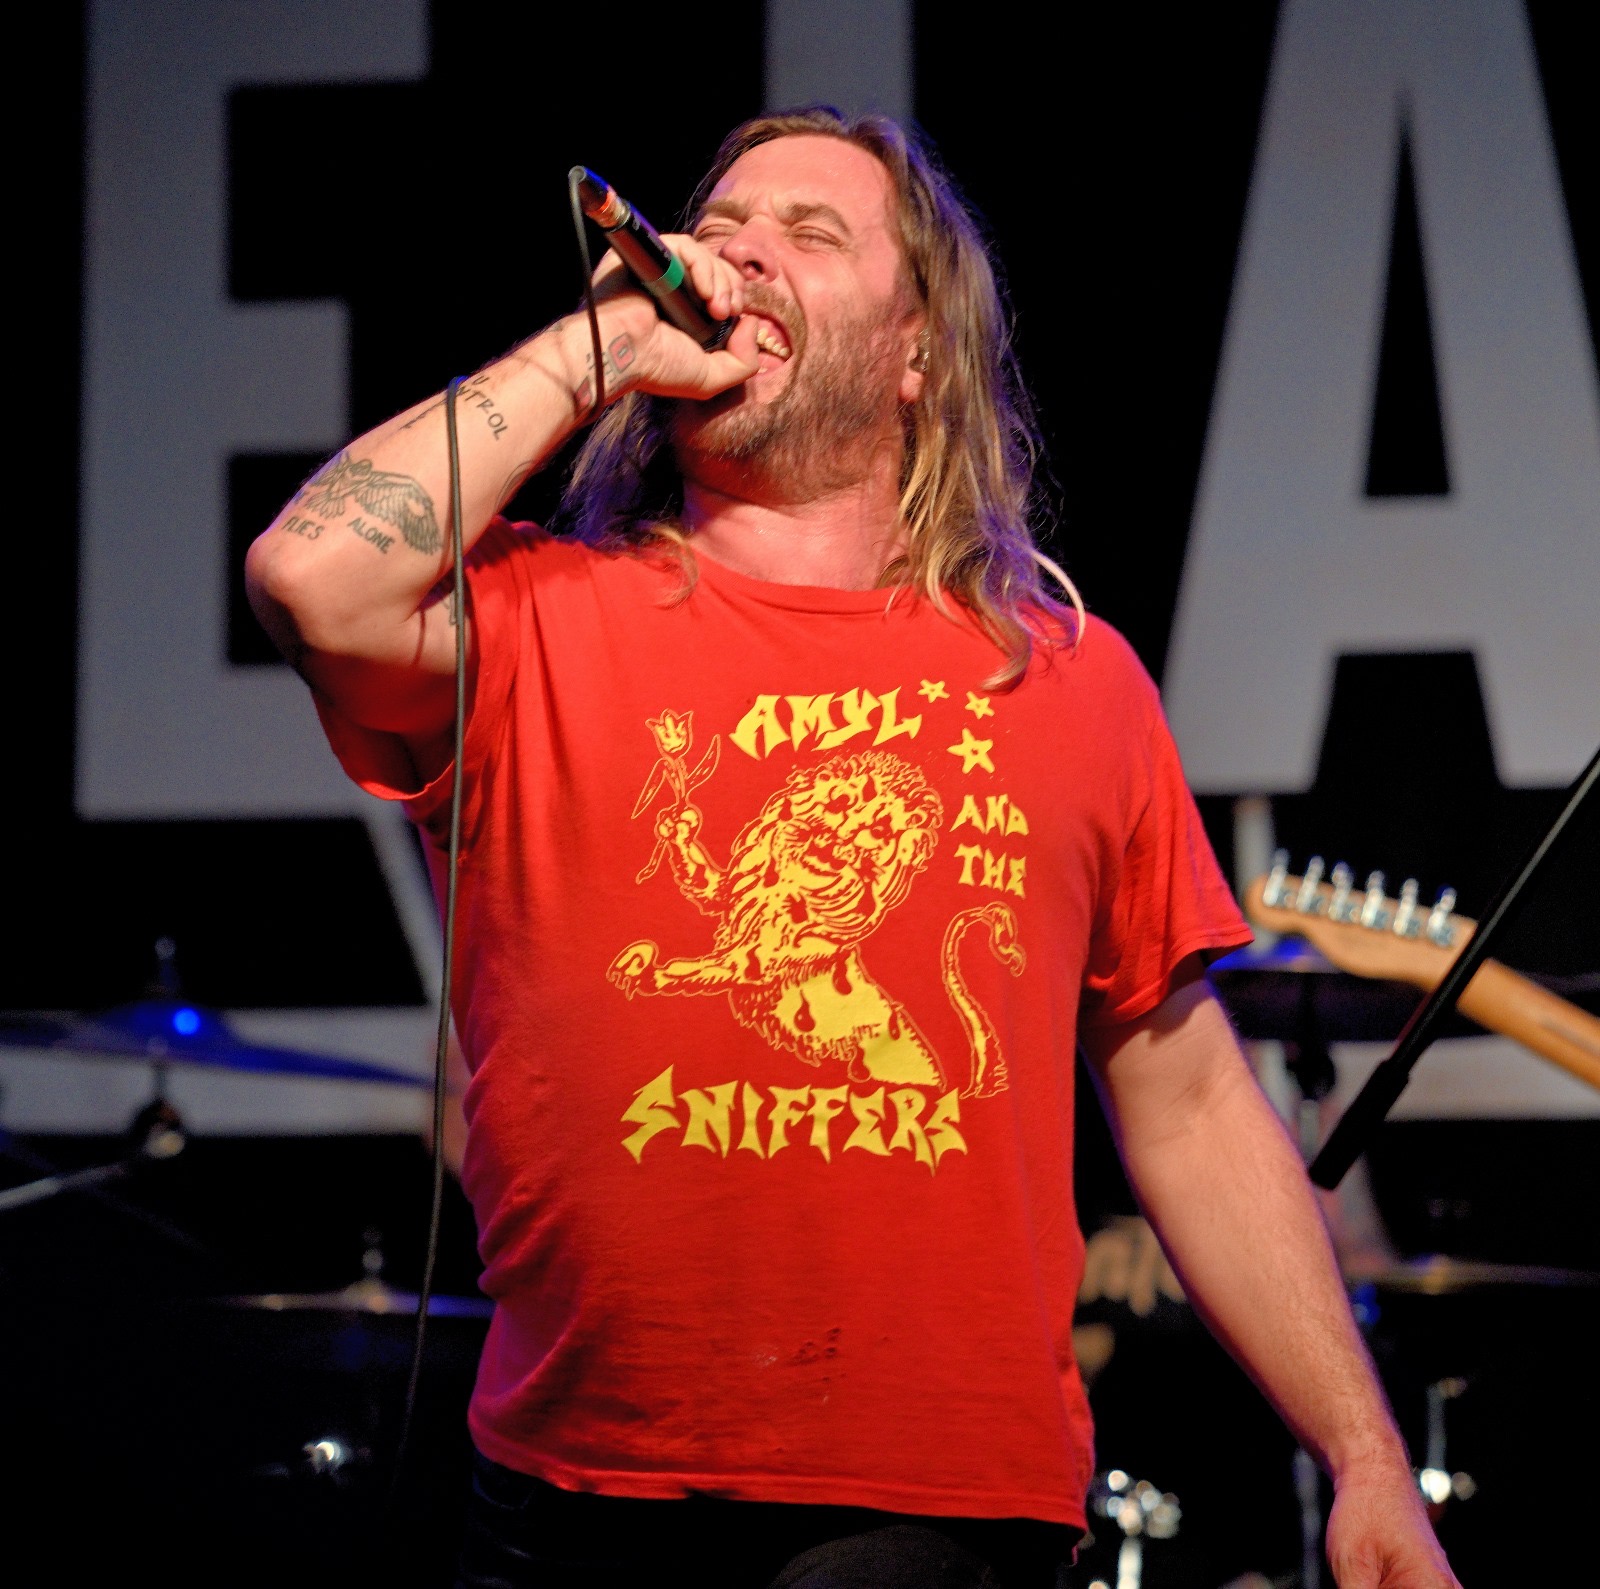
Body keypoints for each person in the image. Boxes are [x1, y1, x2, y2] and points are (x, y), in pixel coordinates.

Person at [245, 107, 1459, 1589]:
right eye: (722, 229)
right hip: (570, 1487)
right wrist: (595, 349)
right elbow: (311, 577)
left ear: (915, 351)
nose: (742, 253)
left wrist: (1366, 1455)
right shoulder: (540, 616)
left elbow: (1194, 1101)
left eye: (809, 235)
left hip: (931, 1508)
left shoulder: (1063, 679)